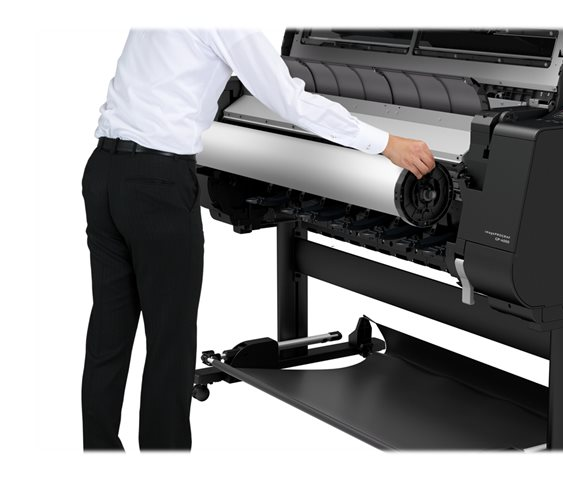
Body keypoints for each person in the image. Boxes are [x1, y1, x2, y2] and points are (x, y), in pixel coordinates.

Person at [81, 28, 435, 451]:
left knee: (108, 332)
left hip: (104, 172)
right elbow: (289, 100)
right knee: (169, 340)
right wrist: (386, 143)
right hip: (156, 184)